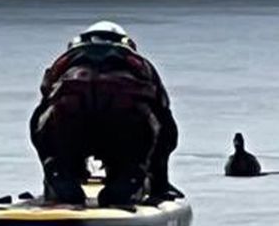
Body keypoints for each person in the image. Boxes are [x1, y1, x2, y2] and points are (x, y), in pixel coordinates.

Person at [30, 21, 180, 206]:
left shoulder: (63, 63)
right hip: (125, 125)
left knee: (47, 122)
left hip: (70, 122)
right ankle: (130, 176)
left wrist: (49, 156)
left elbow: (41, 110)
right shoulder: (139, 64)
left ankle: (59, 171)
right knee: (151, 130)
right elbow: (164, 116)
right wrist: (159, 180)